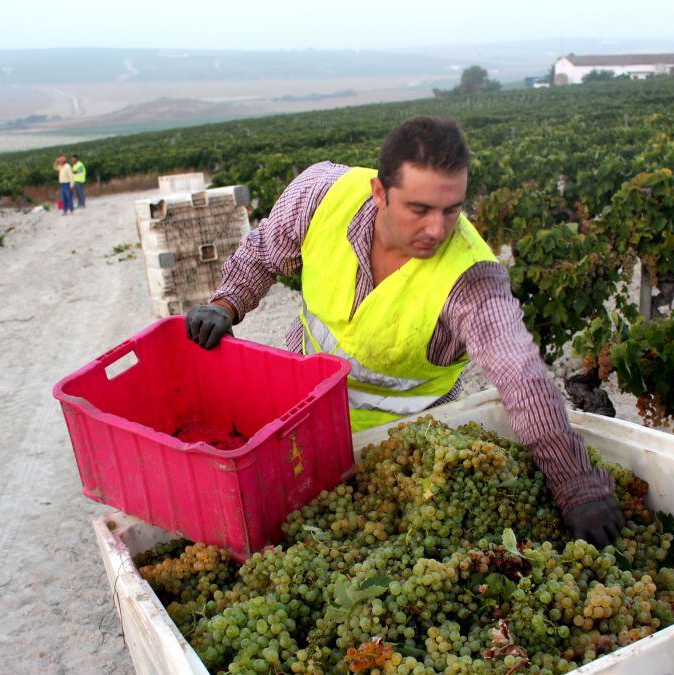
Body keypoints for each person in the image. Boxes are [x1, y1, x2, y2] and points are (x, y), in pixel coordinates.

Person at [185, 116, 623, 546]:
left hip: (399, 448)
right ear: (380, 192)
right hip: (301, 413)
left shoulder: (472, 280)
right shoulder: (320, 194)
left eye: (452, 209)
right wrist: (227, 302)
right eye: (420, 209)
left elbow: (522, 380)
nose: (437, 229)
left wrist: (577, 486)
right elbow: (263, 253)